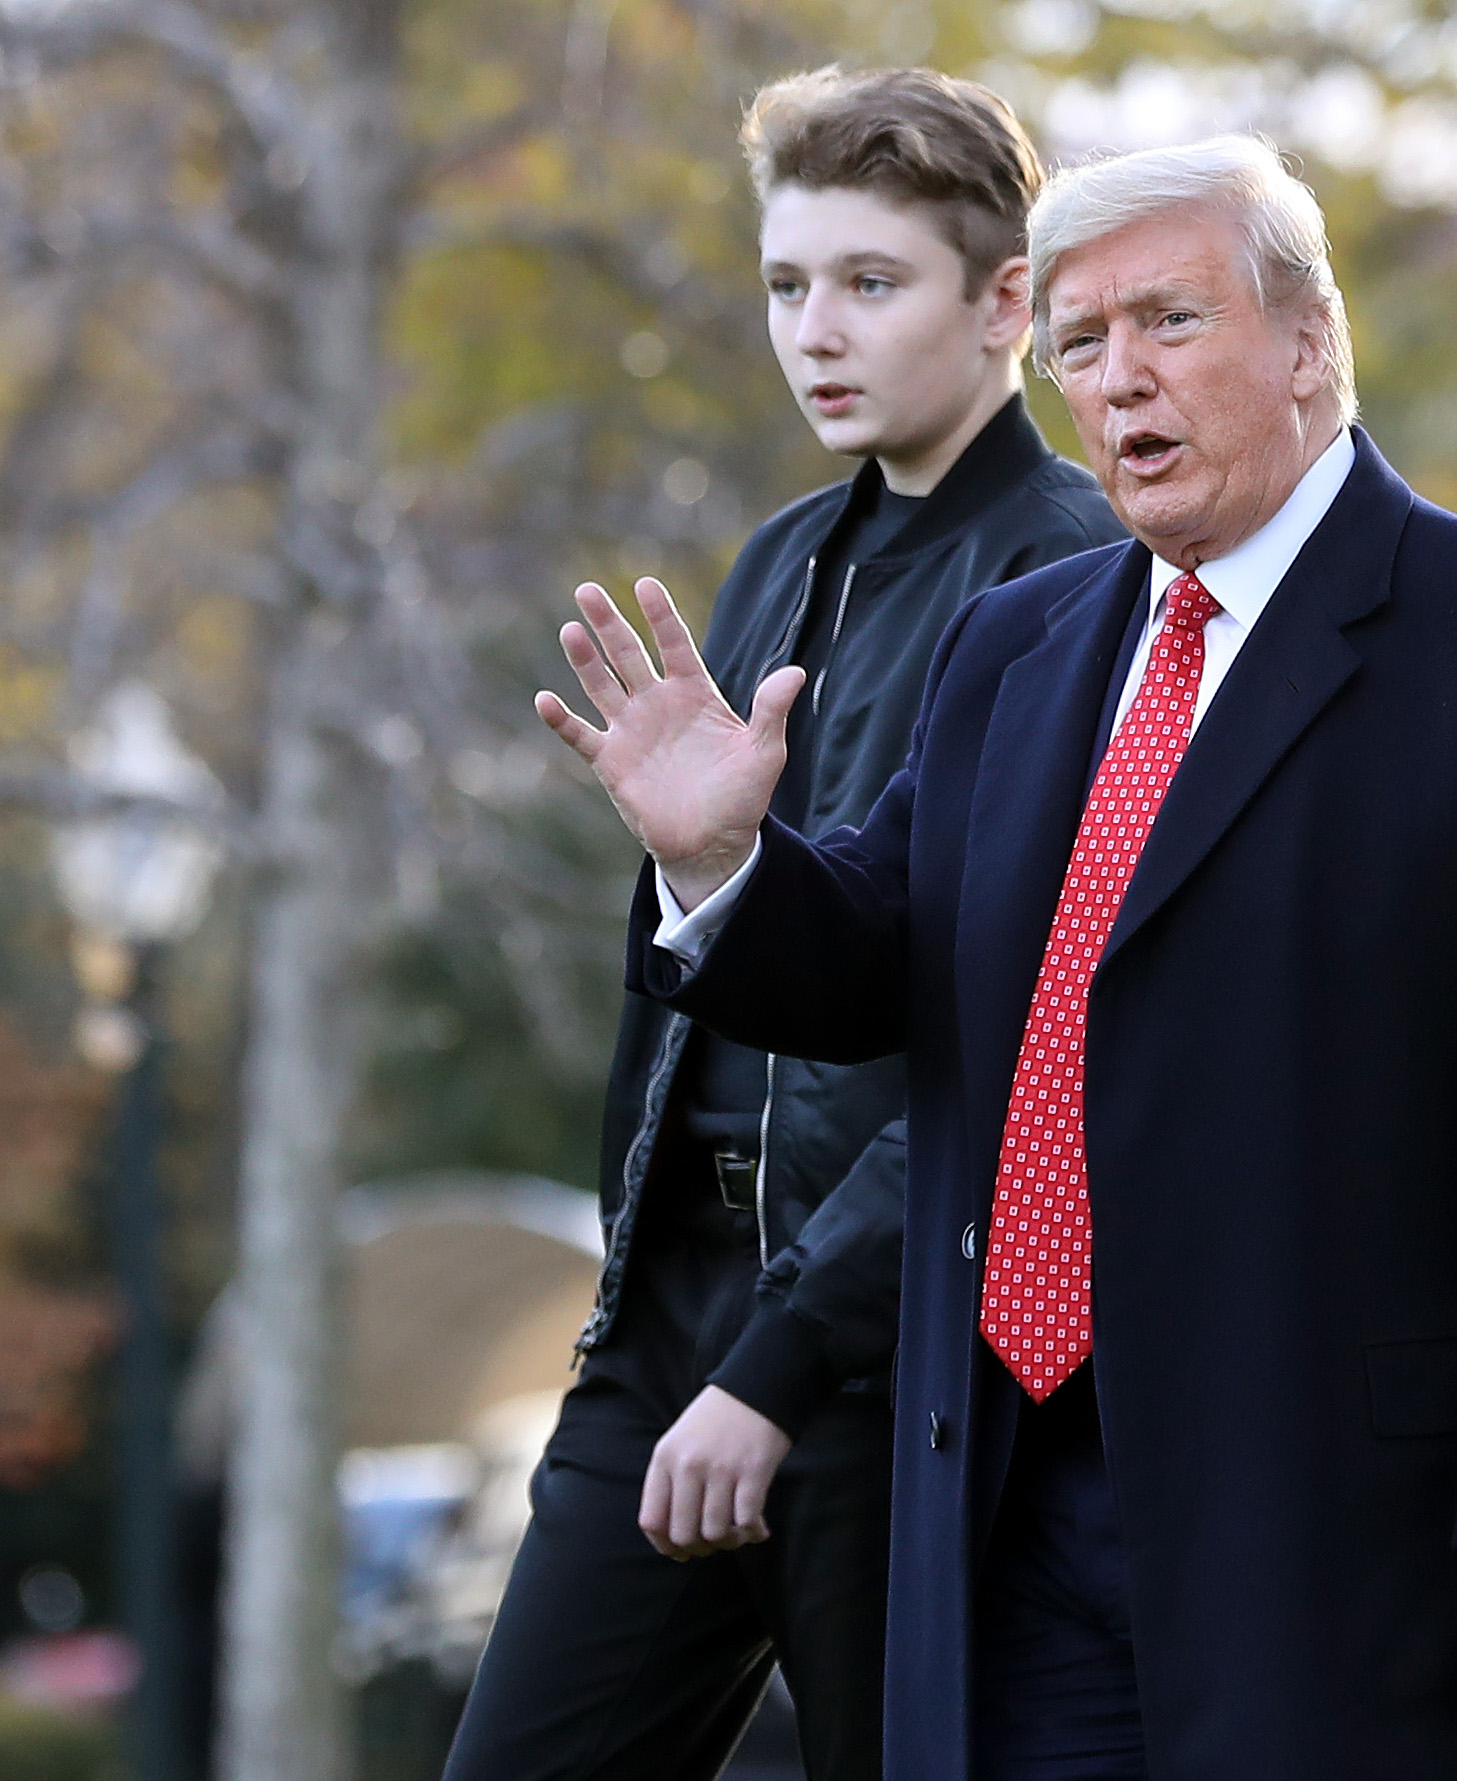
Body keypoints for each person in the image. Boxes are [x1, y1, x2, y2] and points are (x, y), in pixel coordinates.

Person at [535, 134, 1457, 1780]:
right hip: (1010, 1510)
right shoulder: (1016, 640)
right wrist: (720, 859)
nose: (1117, 378)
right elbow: (878, 953)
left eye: (1168, 321)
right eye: (1082, 343)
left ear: (1309, 341)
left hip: (1351, 1538)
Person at [445, 68, 1121, 1781]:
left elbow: (1021, 1039)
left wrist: (782, 1358)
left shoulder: (1082, 583)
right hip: (668, 1308)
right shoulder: (773, 563)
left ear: (1007, 307)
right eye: (786, 285)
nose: (816, 331)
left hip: (897, 1352)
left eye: (871, 284)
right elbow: (700, 988)